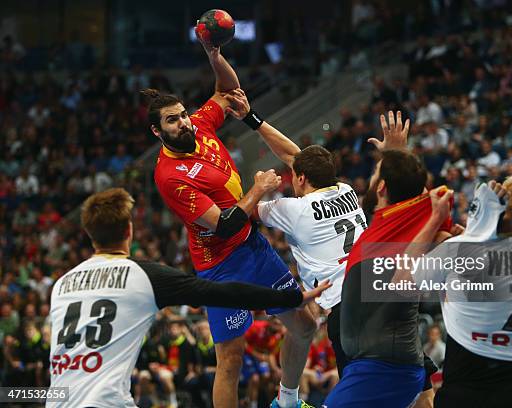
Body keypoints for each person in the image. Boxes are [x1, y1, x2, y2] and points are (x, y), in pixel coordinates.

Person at [147, 41, 317, 408]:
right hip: (220, 265)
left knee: (304, 325)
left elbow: (227, 91)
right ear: (157, 132)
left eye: (182, 114)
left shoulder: (202, 126)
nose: (183, 122)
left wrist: (214, 57)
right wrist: (257, 190)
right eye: (172, 120)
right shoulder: (169, 175)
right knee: (231, 360)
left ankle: (287, 401)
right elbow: (222, 225)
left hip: (253, 247)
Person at [47, 188, 330, 408]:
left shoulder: (61, 285)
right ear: (129, 231)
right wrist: (293, 298)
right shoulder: (142, 276)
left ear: (90, 235)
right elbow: (223, 292)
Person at [324, 111, 455, 408]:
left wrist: (435, 223)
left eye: (374, 174)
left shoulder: (417, 223)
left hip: (385, 366)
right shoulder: (389, 219)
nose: (369, 179)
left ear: (381, 187)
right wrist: (395, 155)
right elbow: (410, 184)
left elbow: (424, 194)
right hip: (374, 364)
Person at [408, 174, 512, 407]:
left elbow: (403, 282)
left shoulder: (459, 249)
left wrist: (438, 219)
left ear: (501, 210)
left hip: (468, 386)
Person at [254, 144, 367, 378]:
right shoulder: (346, 190)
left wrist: (258, 188)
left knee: (357, 389)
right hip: (381, 290)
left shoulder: (295, 208)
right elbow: (298, 158)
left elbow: (245, 212)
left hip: (347, 307)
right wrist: (252, 119)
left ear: (302, 178)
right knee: (412, 383)